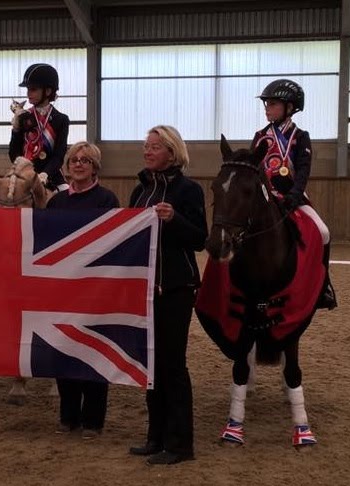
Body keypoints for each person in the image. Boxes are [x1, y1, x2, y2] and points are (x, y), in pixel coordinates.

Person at [127, 126, 207, 465]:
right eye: (146, 146)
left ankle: (180, 444)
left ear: (172, 152)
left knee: (173, 365)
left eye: (155, 147)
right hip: (145, 291)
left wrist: (174, 220)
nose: (148, 151)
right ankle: (155, 437)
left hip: (176, 288)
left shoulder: (189, 190)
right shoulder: (139, 191)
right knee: (151, 366)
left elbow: (200, 239)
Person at [46, 141, 119, 439]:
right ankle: (68, 415)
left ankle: (93, 420)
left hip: (95, 289)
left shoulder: (107, 200)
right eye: (74, 160)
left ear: (95, 166)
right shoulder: (55, 203)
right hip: (62, 291)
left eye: (85, 160)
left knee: (93, 351)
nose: (78, 164)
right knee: (63, 350)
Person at [251, 78, 336, 310]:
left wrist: (294, 196)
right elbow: (253, 170)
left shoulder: (301, 137)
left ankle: (324, 287)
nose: (267, 108)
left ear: (289, 107)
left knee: (323, 231)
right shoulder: (260, 136)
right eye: (266, 104)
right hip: (265, 198)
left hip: (292, 198)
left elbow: (303, 171)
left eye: (273, 104)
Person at [9, 63, 70, 193]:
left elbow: (59, 156)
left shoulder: (61, 120)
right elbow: (13, 153)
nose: (28, 93)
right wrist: (15, 131)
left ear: (47, 91)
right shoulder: (23, 117)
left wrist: (45, 174)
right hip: (24, 175)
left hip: (51, 176)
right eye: (28, 89)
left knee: (67, 197)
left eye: (33, 89)